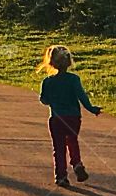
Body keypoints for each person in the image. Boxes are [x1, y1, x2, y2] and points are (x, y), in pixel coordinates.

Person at [36, 44, 101, 188]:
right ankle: (76, 163)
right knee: (72, 140)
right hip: (73, 118)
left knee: (58, 147)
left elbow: (44, 100)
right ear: (69, 62)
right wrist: (92, 109)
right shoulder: (73, 79)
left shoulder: (47, 82)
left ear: (51, 62)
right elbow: (81, 97)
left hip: (56, 118)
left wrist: (53, 99)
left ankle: (61, 176)